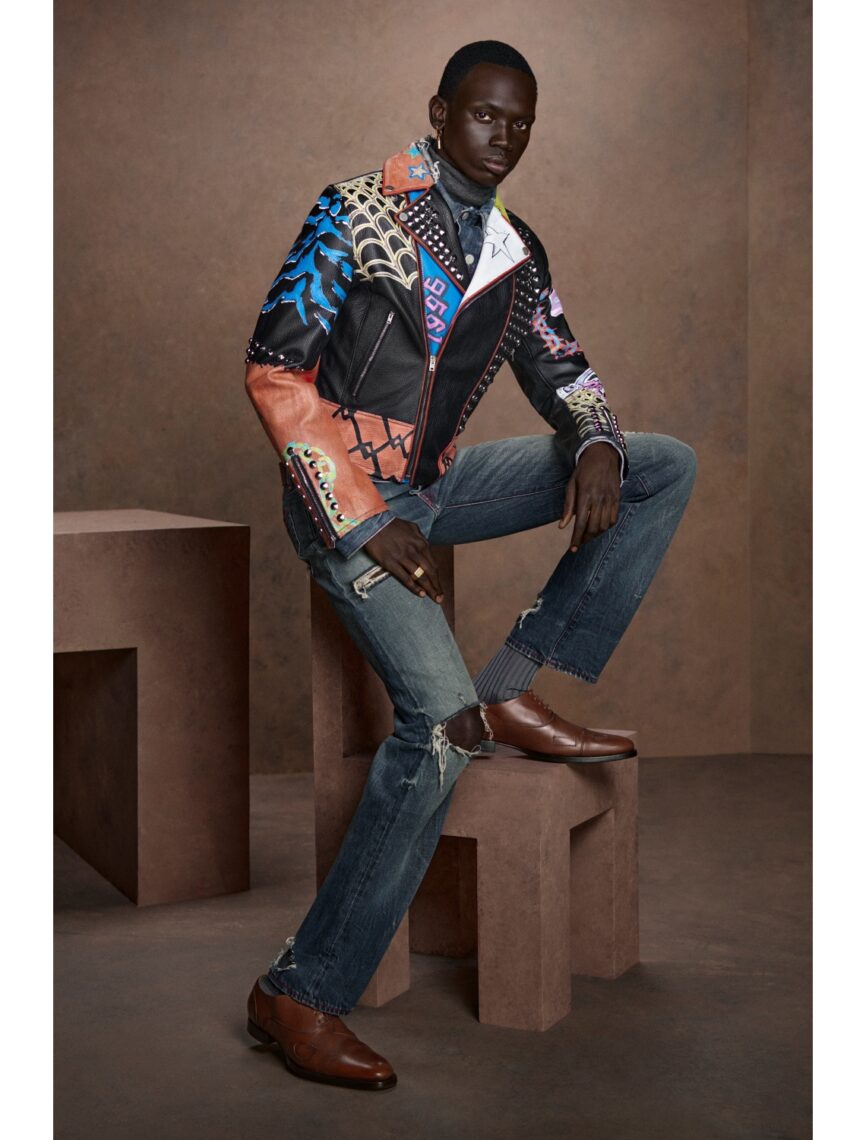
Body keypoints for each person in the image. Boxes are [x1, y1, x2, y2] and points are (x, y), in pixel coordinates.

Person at [243, 40, 696, 1091]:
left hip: (436, 489)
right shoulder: (354, 209)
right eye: (487, 115)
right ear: (441, 113)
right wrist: (360, 516)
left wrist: (593, 437)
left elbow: (560, 363)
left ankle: (513, 683)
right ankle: (299, 991)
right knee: (440, 730)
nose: (505, 136)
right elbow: (275, 369)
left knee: (658, 465)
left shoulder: (513, 248)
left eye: (521, 122)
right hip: (344, 504)